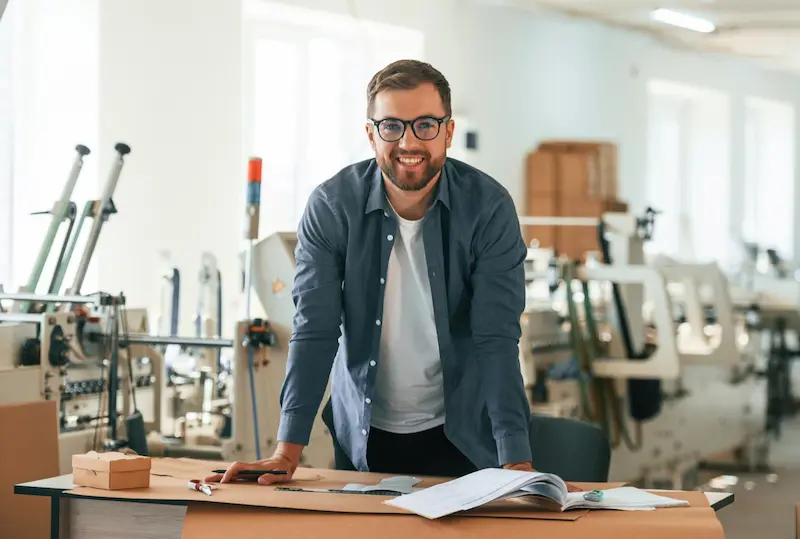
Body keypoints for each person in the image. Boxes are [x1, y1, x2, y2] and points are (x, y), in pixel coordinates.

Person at [208, 59, 538, 485]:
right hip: (363, 436)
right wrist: (286, 451)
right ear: (370, 134)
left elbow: (495, 337)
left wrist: (516, 462)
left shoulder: (488, 208)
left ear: (448, 132)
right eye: (391, 126)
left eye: (425, 125)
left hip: (462, 438)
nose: (408, 141)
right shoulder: (332, 207)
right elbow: (315, 329)